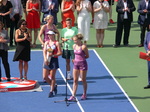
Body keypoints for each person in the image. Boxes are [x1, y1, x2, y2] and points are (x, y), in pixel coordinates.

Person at [68, 34, 89, 101]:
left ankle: (84, 94)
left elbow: (87, 56)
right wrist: (74, 59)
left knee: (83, 79)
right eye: (74, 40)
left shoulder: (83, 47)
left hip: (82, 64)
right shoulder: (74, 46)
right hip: (75, 64)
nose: (75, 41)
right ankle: (73, 95)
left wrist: (81, 59)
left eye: (76, 40)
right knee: (75, 80)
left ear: (79, 40)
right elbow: (74, 55)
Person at [43, 30, 62, 97]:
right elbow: (44, 51)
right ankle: (54, 86)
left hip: (54, 60)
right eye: (48, 35)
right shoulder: (46, 43)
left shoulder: (56, 43)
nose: (49, 36)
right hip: (47, 60)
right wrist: (45, 59)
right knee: (45, 77)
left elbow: (60, 52)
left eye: (50, 35)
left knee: (52, 76)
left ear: (53, 35)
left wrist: (53, 55)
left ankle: (51, 91)